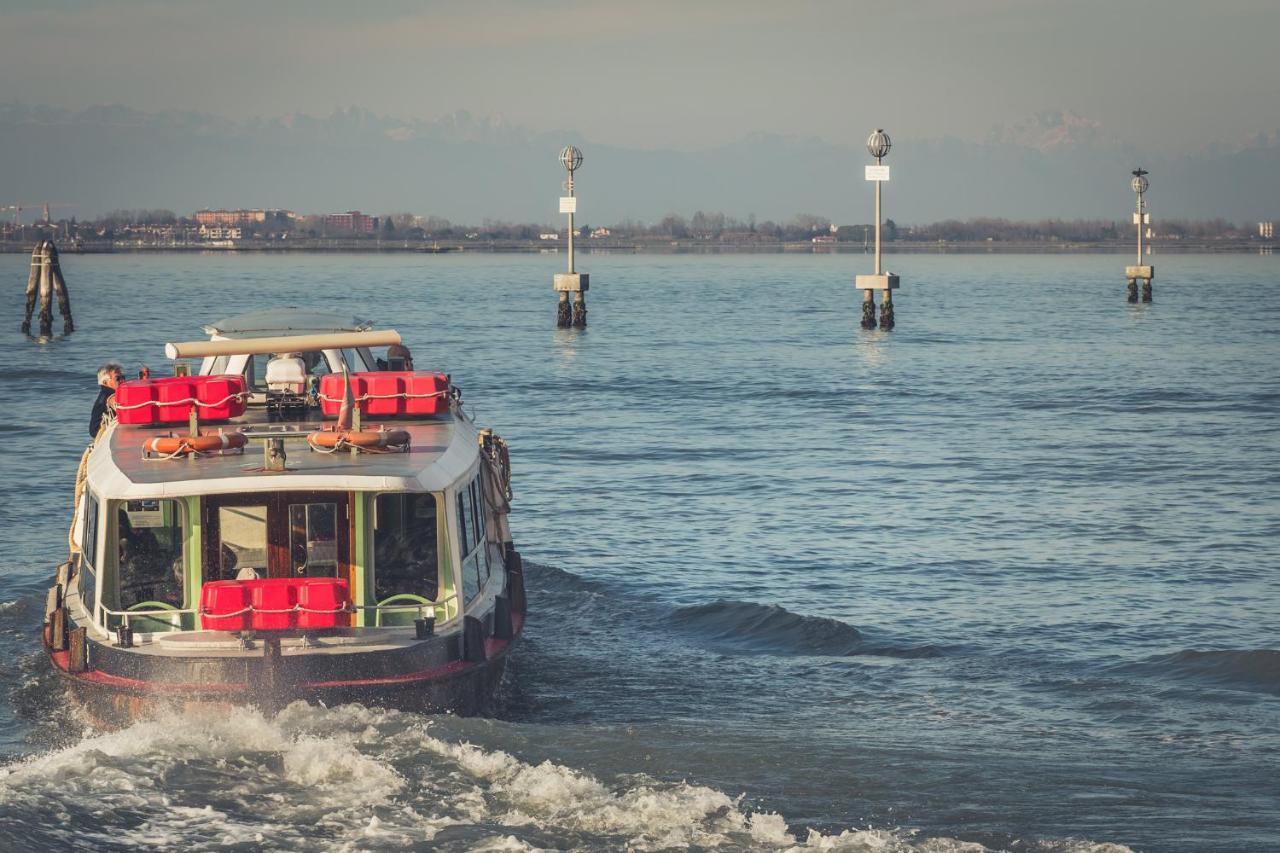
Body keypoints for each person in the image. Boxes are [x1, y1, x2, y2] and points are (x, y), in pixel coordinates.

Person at [89, 361, 125, 438]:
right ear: (105, 382)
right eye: (118, 378)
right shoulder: (109, 394)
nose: (122, 381)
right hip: (100, 432)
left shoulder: (103, 394)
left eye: (123, 377)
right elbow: (112, 401)